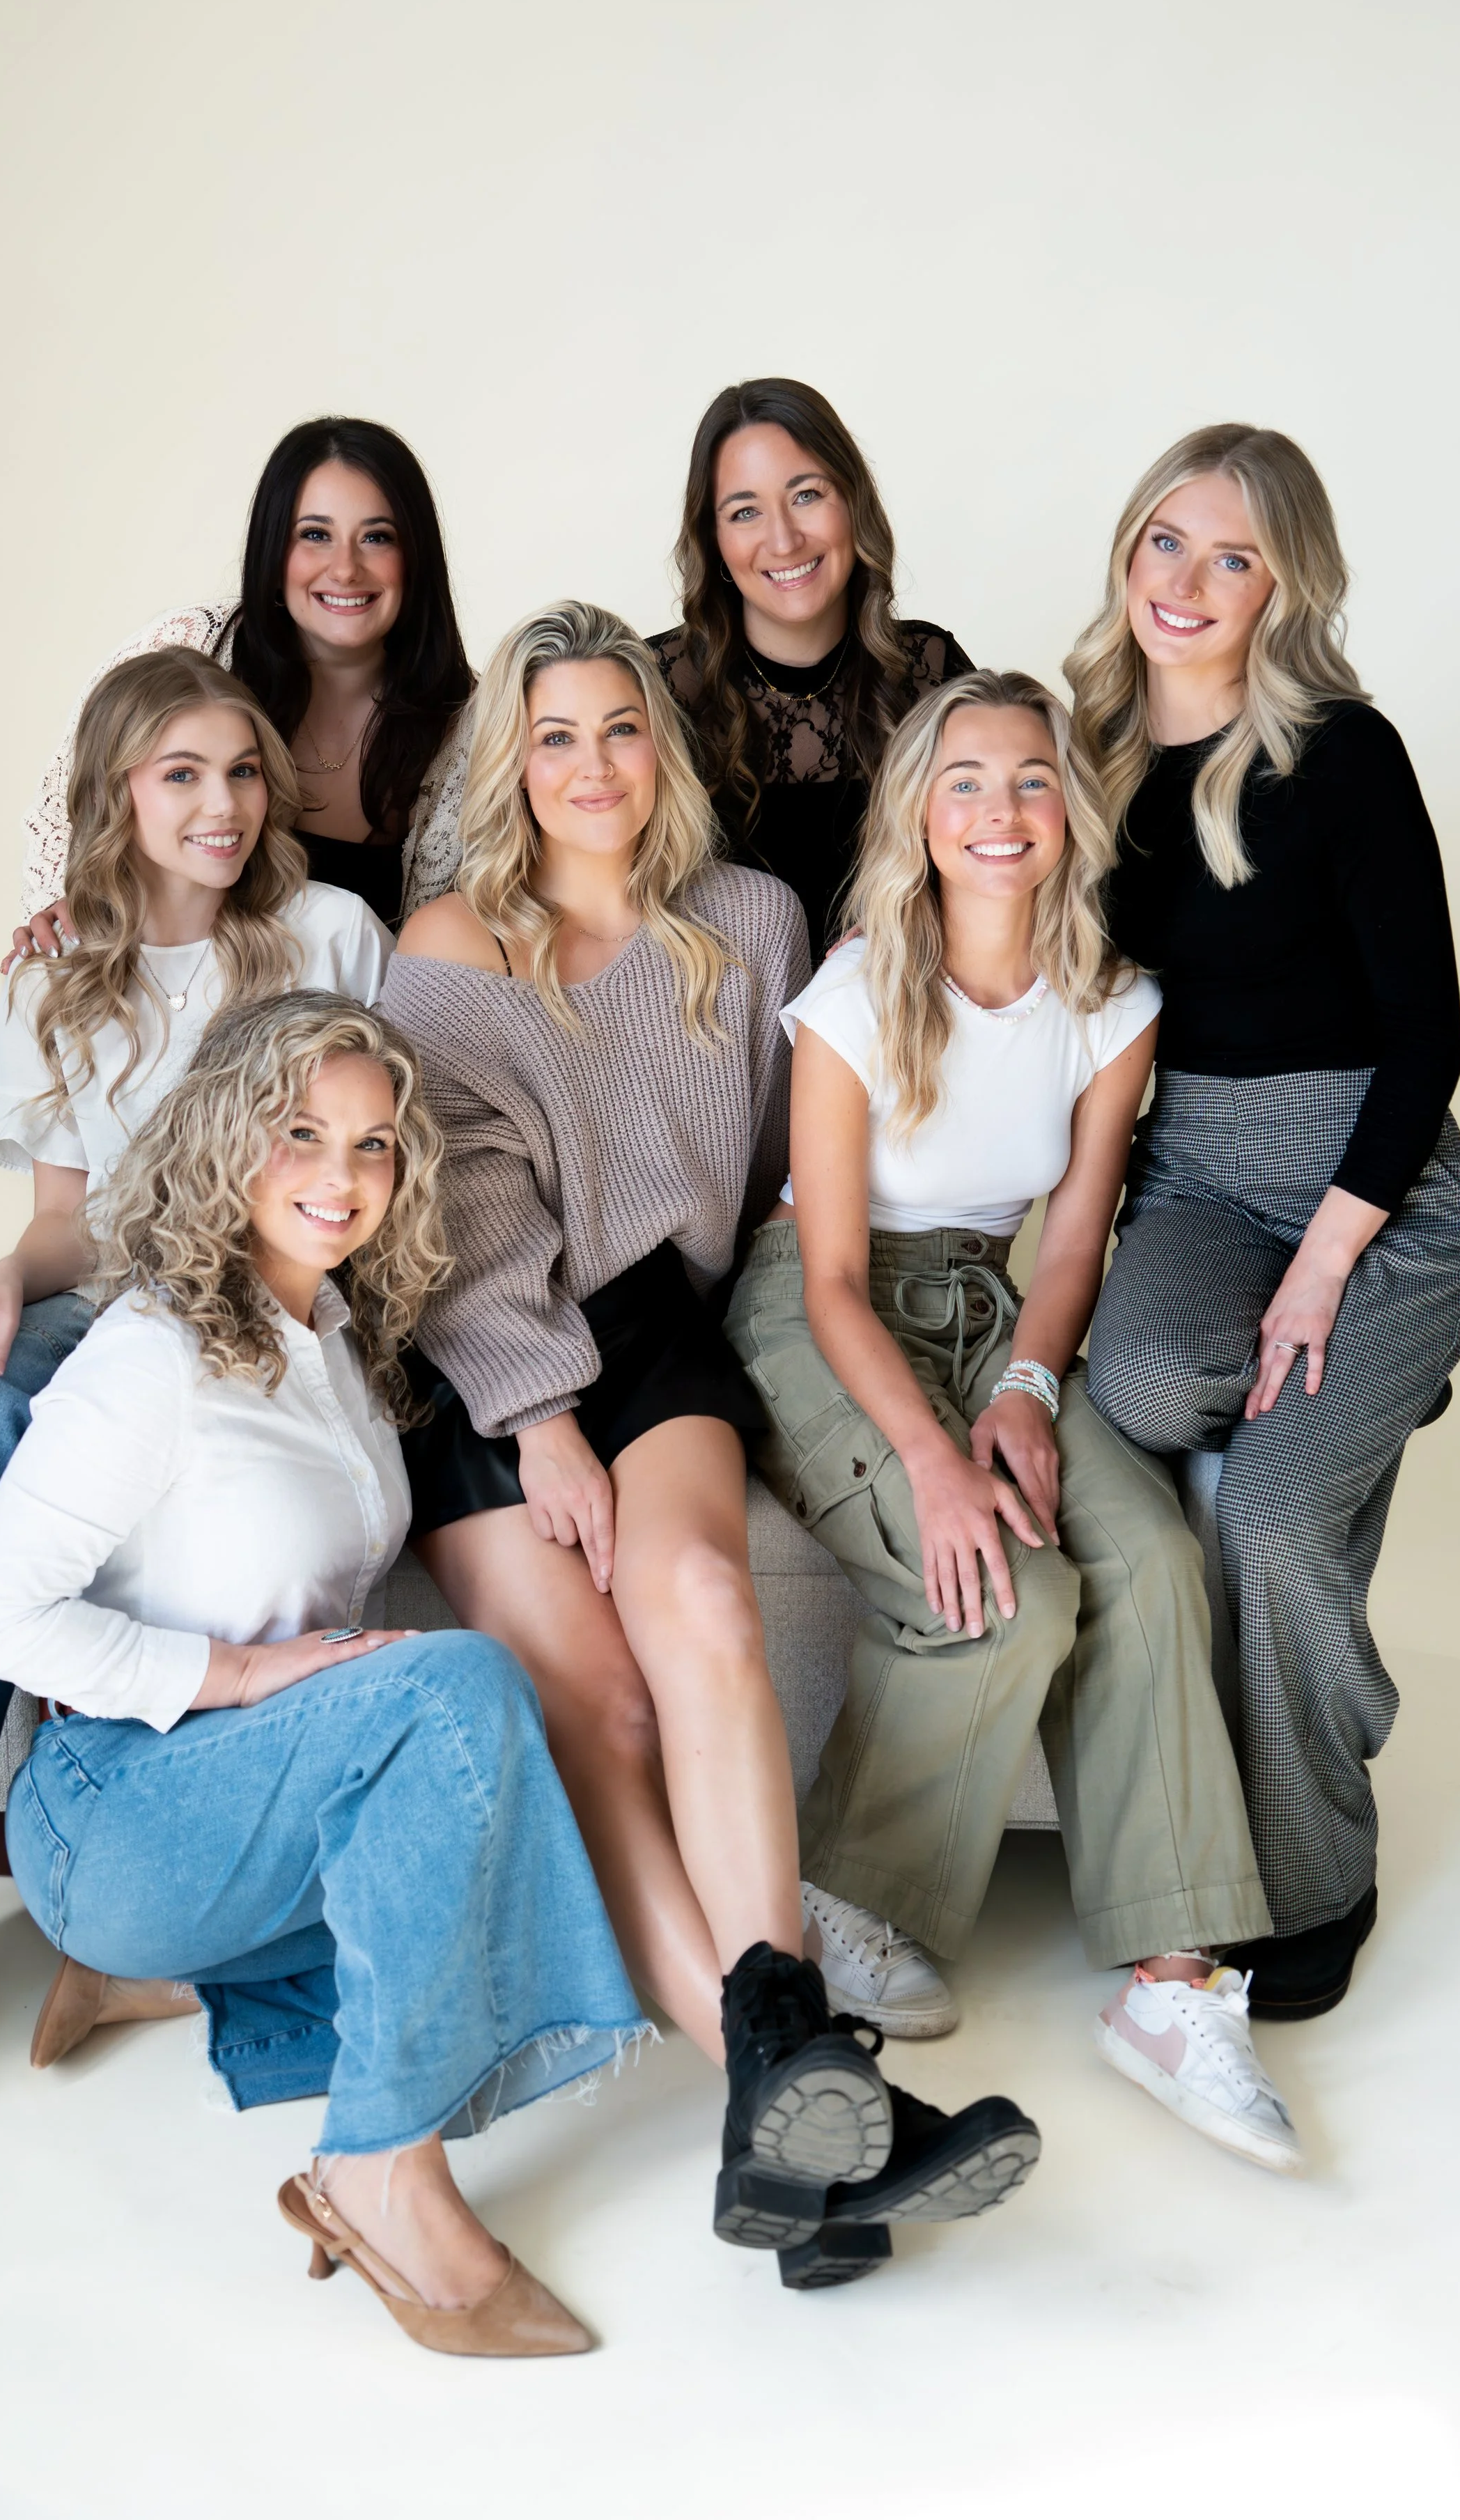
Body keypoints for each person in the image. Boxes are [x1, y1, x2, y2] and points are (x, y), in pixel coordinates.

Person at [385, 602, 1040, 2292]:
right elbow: (455, 1216)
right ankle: (799, 2082)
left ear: (659, 751)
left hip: (657, 1325)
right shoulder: (450, 942)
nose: (592, 764)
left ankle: (787, 2097)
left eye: (620, 729)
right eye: (555, 736)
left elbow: (774, 1165)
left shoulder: (748, 920)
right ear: (509, 765)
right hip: (479, 1351)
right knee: (599, 1698)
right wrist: (535, 1418)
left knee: (706, 1599)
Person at [0, 989, 637, 2357]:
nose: (340, 1176)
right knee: (461, 1690)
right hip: (113, 1808)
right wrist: (250, 1676)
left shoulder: (333, 1345)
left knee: (511, 1855)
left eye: (374, 1146)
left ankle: (185, 1981)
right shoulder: (151, 1354)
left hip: (236, 1825)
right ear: (224, 1142)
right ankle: (378, 2169)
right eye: (301, 1135)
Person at [0, 648, 392, 2097]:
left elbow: (367, 1159)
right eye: (181, 774)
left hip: (251, 1303)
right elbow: (70, 1224)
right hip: (107, 1295)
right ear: (116, 794)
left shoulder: (327, 930)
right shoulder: (62, 967)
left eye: (243, 770)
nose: (222, 804)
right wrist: (2, 1276)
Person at [726, 668, 1300, 2175]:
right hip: (821, 1302)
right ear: (917, 811)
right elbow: (836, 1272)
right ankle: (849, 1905)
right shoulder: (853, 995)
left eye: (1030, 781)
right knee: (995, 1586)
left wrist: (1032, 1396)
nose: (998, 810)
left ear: (1069, 812)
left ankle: (1170, 1986)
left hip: (993, 1310)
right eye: (964, 780)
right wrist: (929, 1456)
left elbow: (1070, 1240)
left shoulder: (1113, 1006)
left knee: (1151, 1554)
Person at [1069, 424, 1460, 2019]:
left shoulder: (1343, 753)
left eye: (1231, 556)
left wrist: (1328, 1272)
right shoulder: (1088, 754)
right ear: (1128, 549)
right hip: (1191, 1176)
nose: (1187, 581)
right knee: (1152, 1385)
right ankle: (1356, 1391)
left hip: (1373, 1191)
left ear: (1280, 586)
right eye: (1166, 540)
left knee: (1268, 1515)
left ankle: (1316, 1867)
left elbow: (1429, 1039)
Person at [13, 415, 472, 942]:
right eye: (315, 535)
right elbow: (64, 808)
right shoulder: (187, 646)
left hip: (363, 1017)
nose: (345, 569)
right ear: (275, 551)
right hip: (172, 1000)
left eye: (377, 537)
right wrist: (62, 909)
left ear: (415, 559)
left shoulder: (472, 725)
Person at [651, 376, 972, 962]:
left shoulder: (930, 673)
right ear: (713, 538)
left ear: (853, 502)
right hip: (714, 1041)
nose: (783, 539)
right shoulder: (657, 687)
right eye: (745, 512)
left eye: (806, 495)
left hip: (895, 1028)